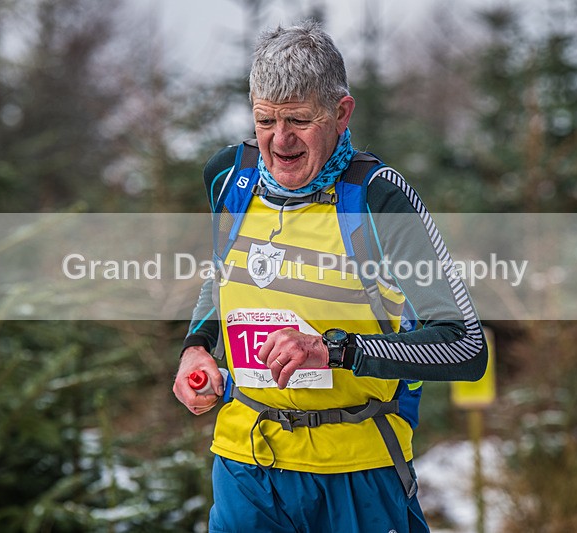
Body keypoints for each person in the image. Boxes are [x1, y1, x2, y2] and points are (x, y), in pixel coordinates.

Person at [173, 20, 487, 533]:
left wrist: (334, 350)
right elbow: (221, 275)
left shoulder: (379, 199)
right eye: (265, 120)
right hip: (246, 464)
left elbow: (465, 347)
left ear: (341, 113)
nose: (280, 141)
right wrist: (196, 346)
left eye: (298, 120)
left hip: (355, 473)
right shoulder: (228, 178)